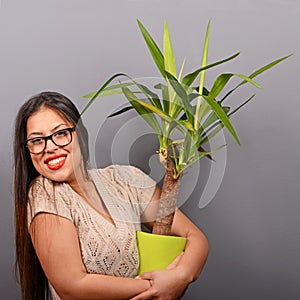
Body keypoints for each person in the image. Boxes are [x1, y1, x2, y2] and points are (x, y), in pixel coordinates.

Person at [14, 91, 209, 300]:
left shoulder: (125, 179)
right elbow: (72, 287)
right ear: (28, 150)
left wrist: (181, 277)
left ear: (80, 133)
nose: (50, 147)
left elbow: (194, 237)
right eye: (36, 140)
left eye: (60, 133)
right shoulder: (45, 193)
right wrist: (156, 288)